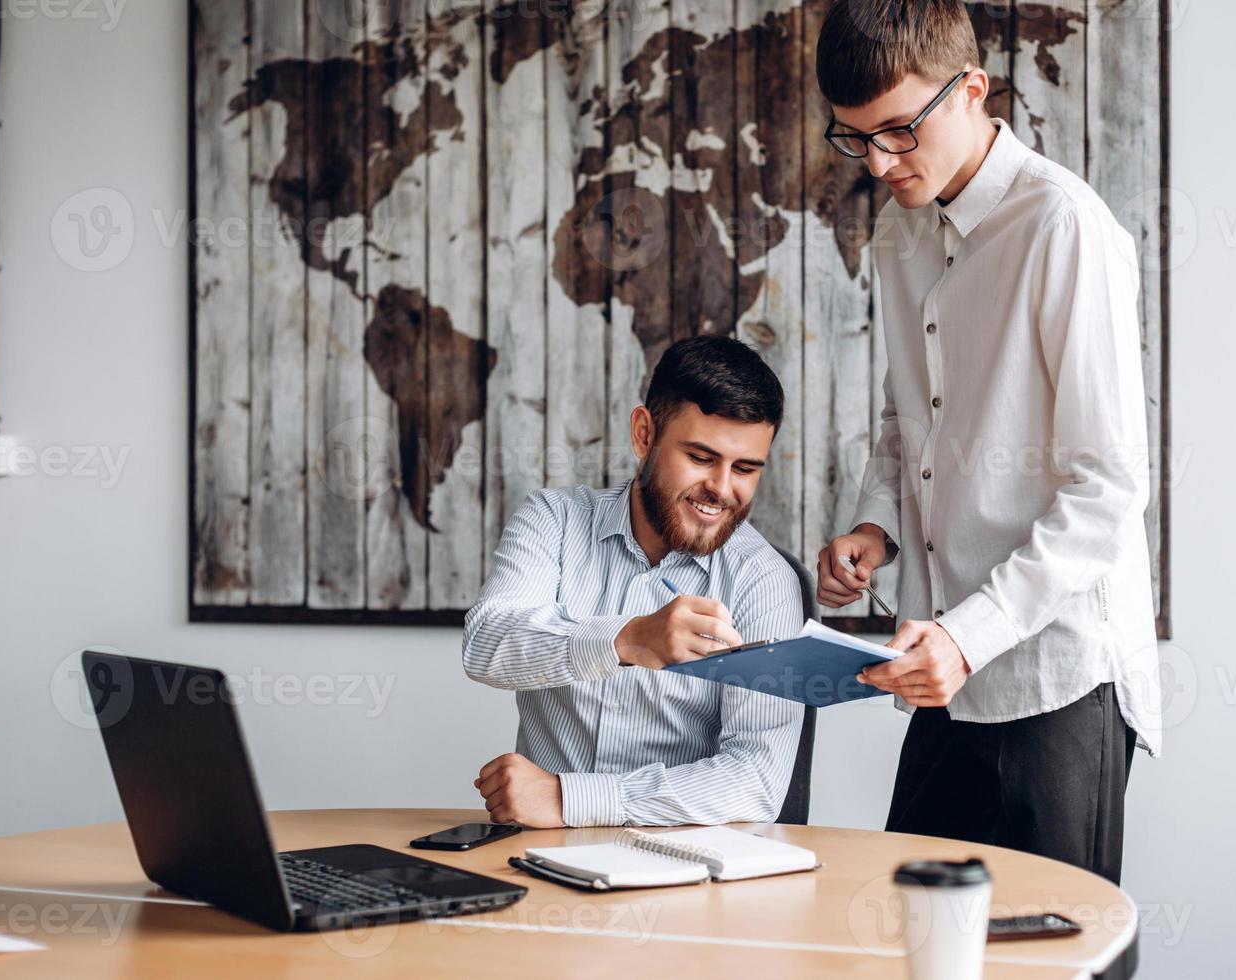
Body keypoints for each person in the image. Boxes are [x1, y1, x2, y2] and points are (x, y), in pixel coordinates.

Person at [813, 0, 1161, 884]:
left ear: (972, 90)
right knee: (909, 942)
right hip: (945, 667)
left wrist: (969, 637)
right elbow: (911, 420)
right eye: (856, 139)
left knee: (1048, 959)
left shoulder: (1063, 228)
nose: (882, 162)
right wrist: (874, 529)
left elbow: (1107, 489)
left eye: (899, 131)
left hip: (1053, 672)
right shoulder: (900, 227)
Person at [463, 336, 804, 828]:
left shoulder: (764, 581)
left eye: (745, 468)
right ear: (644, 434)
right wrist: (626, 640)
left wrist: (570, 799)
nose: (722, 489)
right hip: (537, 858)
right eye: (702, 458)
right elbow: (486, 644)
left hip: (685, 871)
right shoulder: (553, 521)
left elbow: (756, 780)